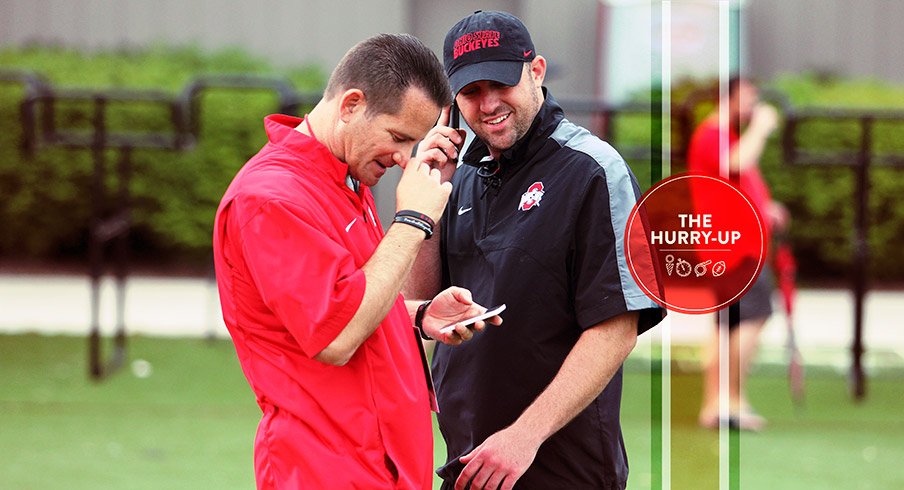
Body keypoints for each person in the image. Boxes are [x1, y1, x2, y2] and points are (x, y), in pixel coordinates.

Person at [212, 33, 501, 489]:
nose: (404, 157)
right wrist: (413, 220)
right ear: (351, 105)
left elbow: (346, 296)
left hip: (379, 465)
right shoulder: (270, 199)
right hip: (324, 469)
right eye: (398, 137)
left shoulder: (343, 176)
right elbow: (337, 334)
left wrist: (417, 315)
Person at [406, 11, 664, 489]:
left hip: (562, 468)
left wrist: (524, 436)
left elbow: (616, 328)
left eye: (500, 83)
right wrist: (430, 200)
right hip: (468, 463)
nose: (487, 105)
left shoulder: (593, 170)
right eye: (470, 92)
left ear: (537, 71)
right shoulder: (456, 173)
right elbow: (420, 308)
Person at [687, 76, 789, 431]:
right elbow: (734, 164)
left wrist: (766, 206)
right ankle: (732, 402)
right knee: (752, 318)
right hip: (735, 247)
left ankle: (716, 405)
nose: (753, 103)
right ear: (726, 98)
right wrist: (761, 127)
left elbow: (735, 180)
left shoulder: (725, 134)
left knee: (726, 324)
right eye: (747, 96)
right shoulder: (713, 133)